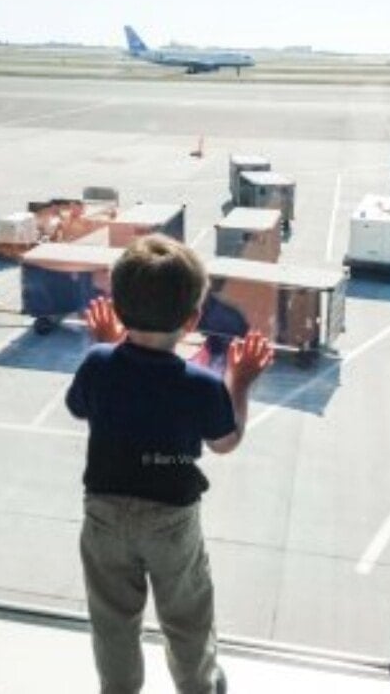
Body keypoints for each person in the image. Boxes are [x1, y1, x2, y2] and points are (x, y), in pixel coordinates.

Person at [66, 234, 273, 694]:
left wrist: (106, 347)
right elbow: (226, 442)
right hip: (171, 520)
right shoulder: (200, 385)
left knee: (112, 620)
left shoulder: (98, 362)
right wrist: (239, 383)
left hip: (104, 513)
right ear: (193, 320)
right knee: (186, 617)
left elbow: (81, 407)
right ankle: (199, 686)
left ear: (117, 310)